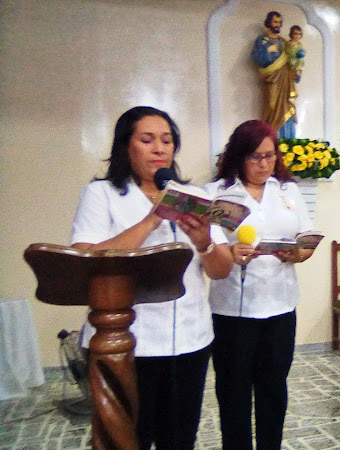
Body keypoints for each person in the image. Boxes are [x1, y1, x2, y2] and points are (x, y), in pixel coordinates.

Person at [70, 106, 233, 449]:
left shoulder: (198, 198)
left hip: (190, 339)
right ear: (125, 146)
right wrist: (150, 219)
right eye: (147, 139)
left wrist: (204, 241)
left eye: (167, 140)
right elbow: (86, 259)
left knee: (180, 438)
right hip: (125, 343)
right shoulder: (102, 194)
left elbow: (221, 270)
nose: (160, 148)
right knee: (130, 438)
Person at [205, 120, 315, 449]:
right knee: (233, 393)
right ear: (239, 156)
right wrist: (230, 252)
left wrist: (298, 253)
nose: (264, 164)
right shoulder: (216, 194)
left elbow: (306, 237)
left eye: (270, 156)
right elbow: (208, 246)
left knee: (273, 390)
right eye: (255, 157)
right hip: (232, 311)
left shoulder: (288, 191)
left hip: (280, 307)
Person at [251, 11, 297, 138]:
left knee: (286, 106)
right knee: (271, 107)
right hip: (271, 79)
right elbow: (255, 57)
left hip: (285, 80)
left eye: (280, 22)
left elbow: (290, 61)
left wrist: (297, 65)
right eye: (275, 22)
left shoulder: (283, 42)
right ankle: (272, 138)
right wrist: (268, 50)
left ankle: (287, 139)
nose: (278, 24)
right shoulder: (262, 40)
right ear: (269, 23)